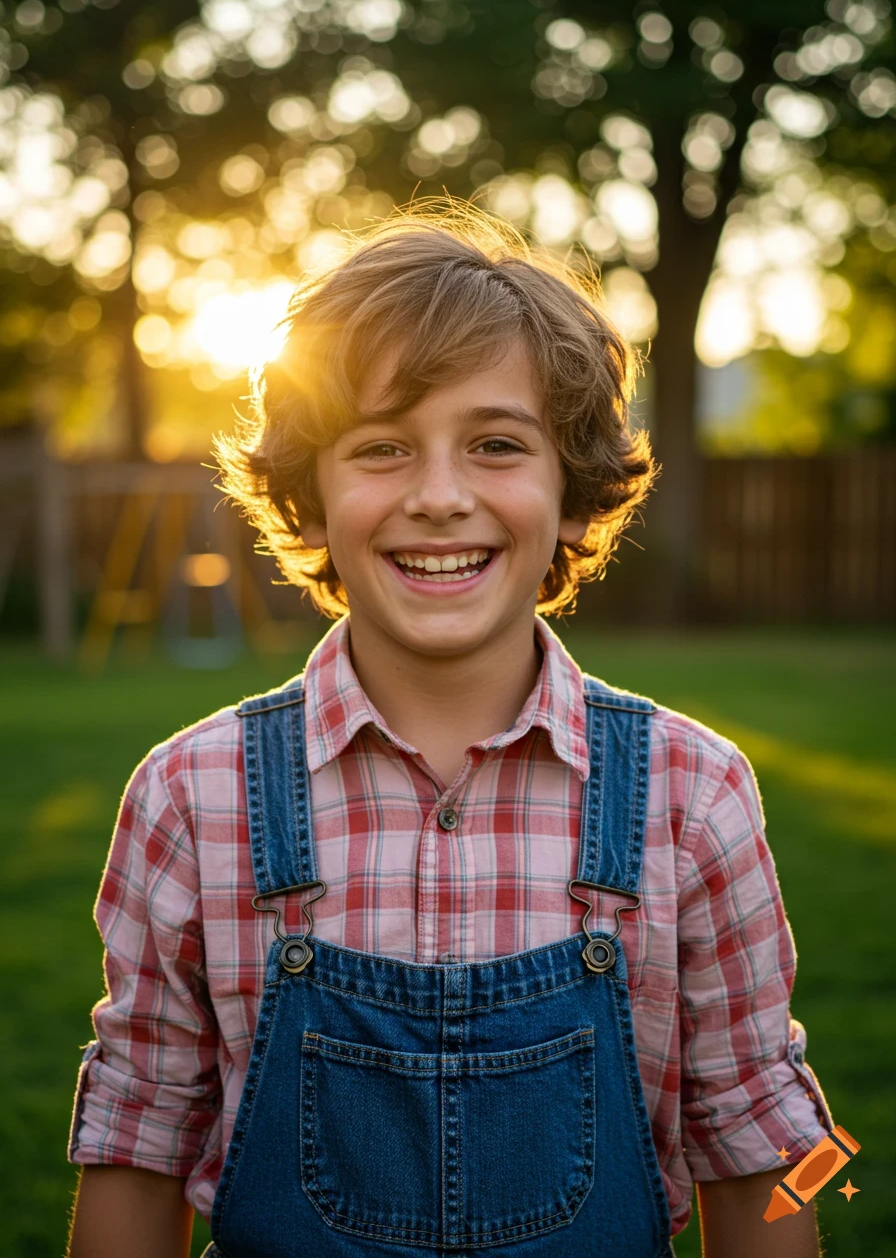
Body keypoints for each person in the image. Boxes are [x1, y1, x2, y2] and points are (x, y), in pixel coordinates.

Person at [66, 201, 832, 1258]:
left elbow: (764, 1155)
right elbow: (136, 1145)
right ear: (308, 500)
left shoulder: (690, 792)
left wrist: (788, 1196)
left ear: (572, 489)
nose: (438, 496)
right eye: (380, 446)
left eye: (495, 443)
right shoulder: (191, 795)